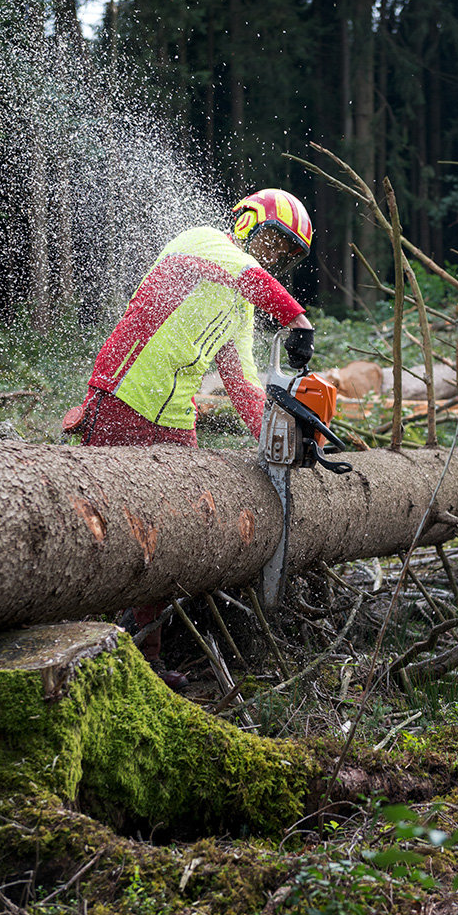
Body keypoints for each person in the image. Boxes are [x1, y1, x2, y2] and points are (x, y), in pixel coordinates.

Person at [68, 187, 318, 686]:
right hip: (123, 394)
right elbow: (249, 274)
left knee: (167, 534)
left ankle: (148, 658)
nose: (272, 259)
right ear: (248, 225)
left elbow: (244, 382)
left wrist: (282, 434)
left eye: (284, 256)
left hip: (177, 417)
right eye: (273, 244)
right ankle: (80, 649)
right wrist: (297, 317)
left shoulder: (240, 310)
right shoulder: (202, 245)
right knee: (105, 527)